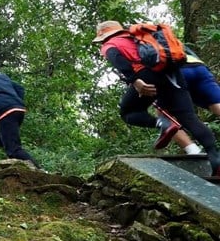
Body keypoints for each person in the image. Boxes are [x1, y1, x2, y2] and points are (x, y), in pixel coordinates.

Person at [94, 21, 220, 175]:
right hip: (172, 73)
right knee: (189, 117)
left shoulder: (110, 44)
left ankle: (162, 124)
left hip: (146, 76)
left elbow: (118, 60)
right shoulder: (138, 37)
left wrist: (135, 81)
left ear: (104, 36)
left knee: (128, 112)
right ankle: (214, 157)